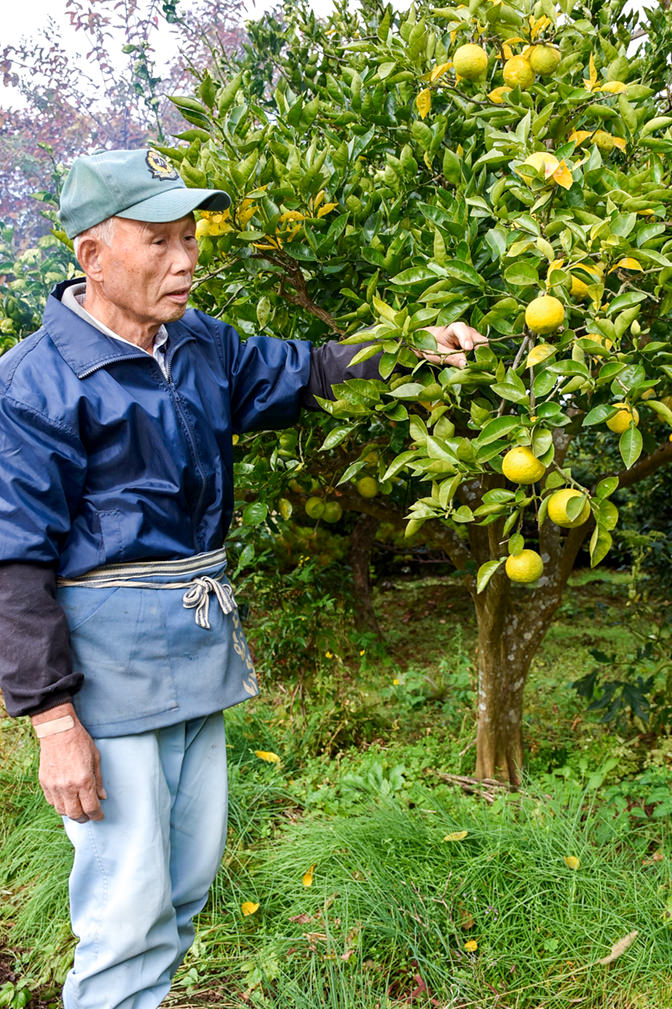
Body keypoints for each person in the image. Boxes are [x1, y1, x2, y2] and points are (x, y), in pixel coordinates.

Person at [0, 148, 486, 1008]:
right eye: (158, 242)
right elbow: (16, 559)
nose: (184, 261)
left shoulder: (200, 345)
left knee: (182, 888)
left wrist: (417, 350)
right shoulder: (35, 383)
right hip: (106, 670)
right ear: (93, 256)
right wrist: (52, 719)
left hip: (193, 649)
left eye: (190, 239)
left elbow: (308, 372)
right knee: (125, 907)